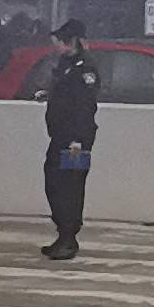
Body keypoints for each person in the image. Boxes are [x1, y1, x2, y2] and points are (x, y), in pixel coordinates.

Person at [41, 18, 100, 262]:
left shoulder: (85, 68)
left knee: (71, 187)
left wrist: (78, 139)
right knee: (53, 181)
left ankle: (69, 237)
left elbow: (84, 106)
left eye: (60, 41)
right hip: (60, 136)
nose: (56, 46)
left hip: (75, 140)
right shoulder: (66, 65)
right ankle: (62, 233)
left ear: (72, 41)